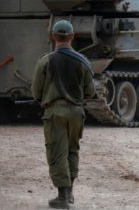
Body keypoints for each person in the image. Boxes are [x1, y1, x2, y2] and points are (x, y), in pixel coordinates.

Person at [31, 20, 95, 209]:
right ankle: (70, 192)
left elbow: (36, 91)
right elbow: (90, 91)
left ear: (53, 36)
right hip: (76, 112)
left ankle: (62, 196)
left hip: (55, 112)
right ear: (72, 36)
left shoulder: (45, 60)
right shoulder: (83, 62)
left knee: (56, 151)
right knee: (72, 150)